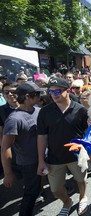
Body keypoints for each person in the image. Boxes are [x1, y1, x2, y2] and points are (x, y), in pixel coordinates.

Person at [37, 77, 89, 216]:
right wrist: (41, 161)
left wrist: (89, 150)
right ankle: (67, 202)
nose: (54, 94)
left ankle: (83, 197)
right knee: (55, 189)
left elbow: (87, 133)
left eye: (58, 90)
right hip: (54, 157)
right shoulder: (45, 112)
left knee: (81, 180)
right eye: (51, 91)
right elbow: (42, 136)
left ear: (68, 91)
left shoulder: (80, 110)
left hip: (76, 155)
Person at [1, 81, 44, 216]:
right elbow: (5, 147)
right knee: (31, 194)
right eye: (37, 94)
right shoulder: (14, 119)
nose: (40, 96)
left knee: (37, 189)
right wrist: (8, 173)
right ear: (27, 96)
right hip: (28, 163)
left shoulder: (39, 110)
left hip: (43, 158)